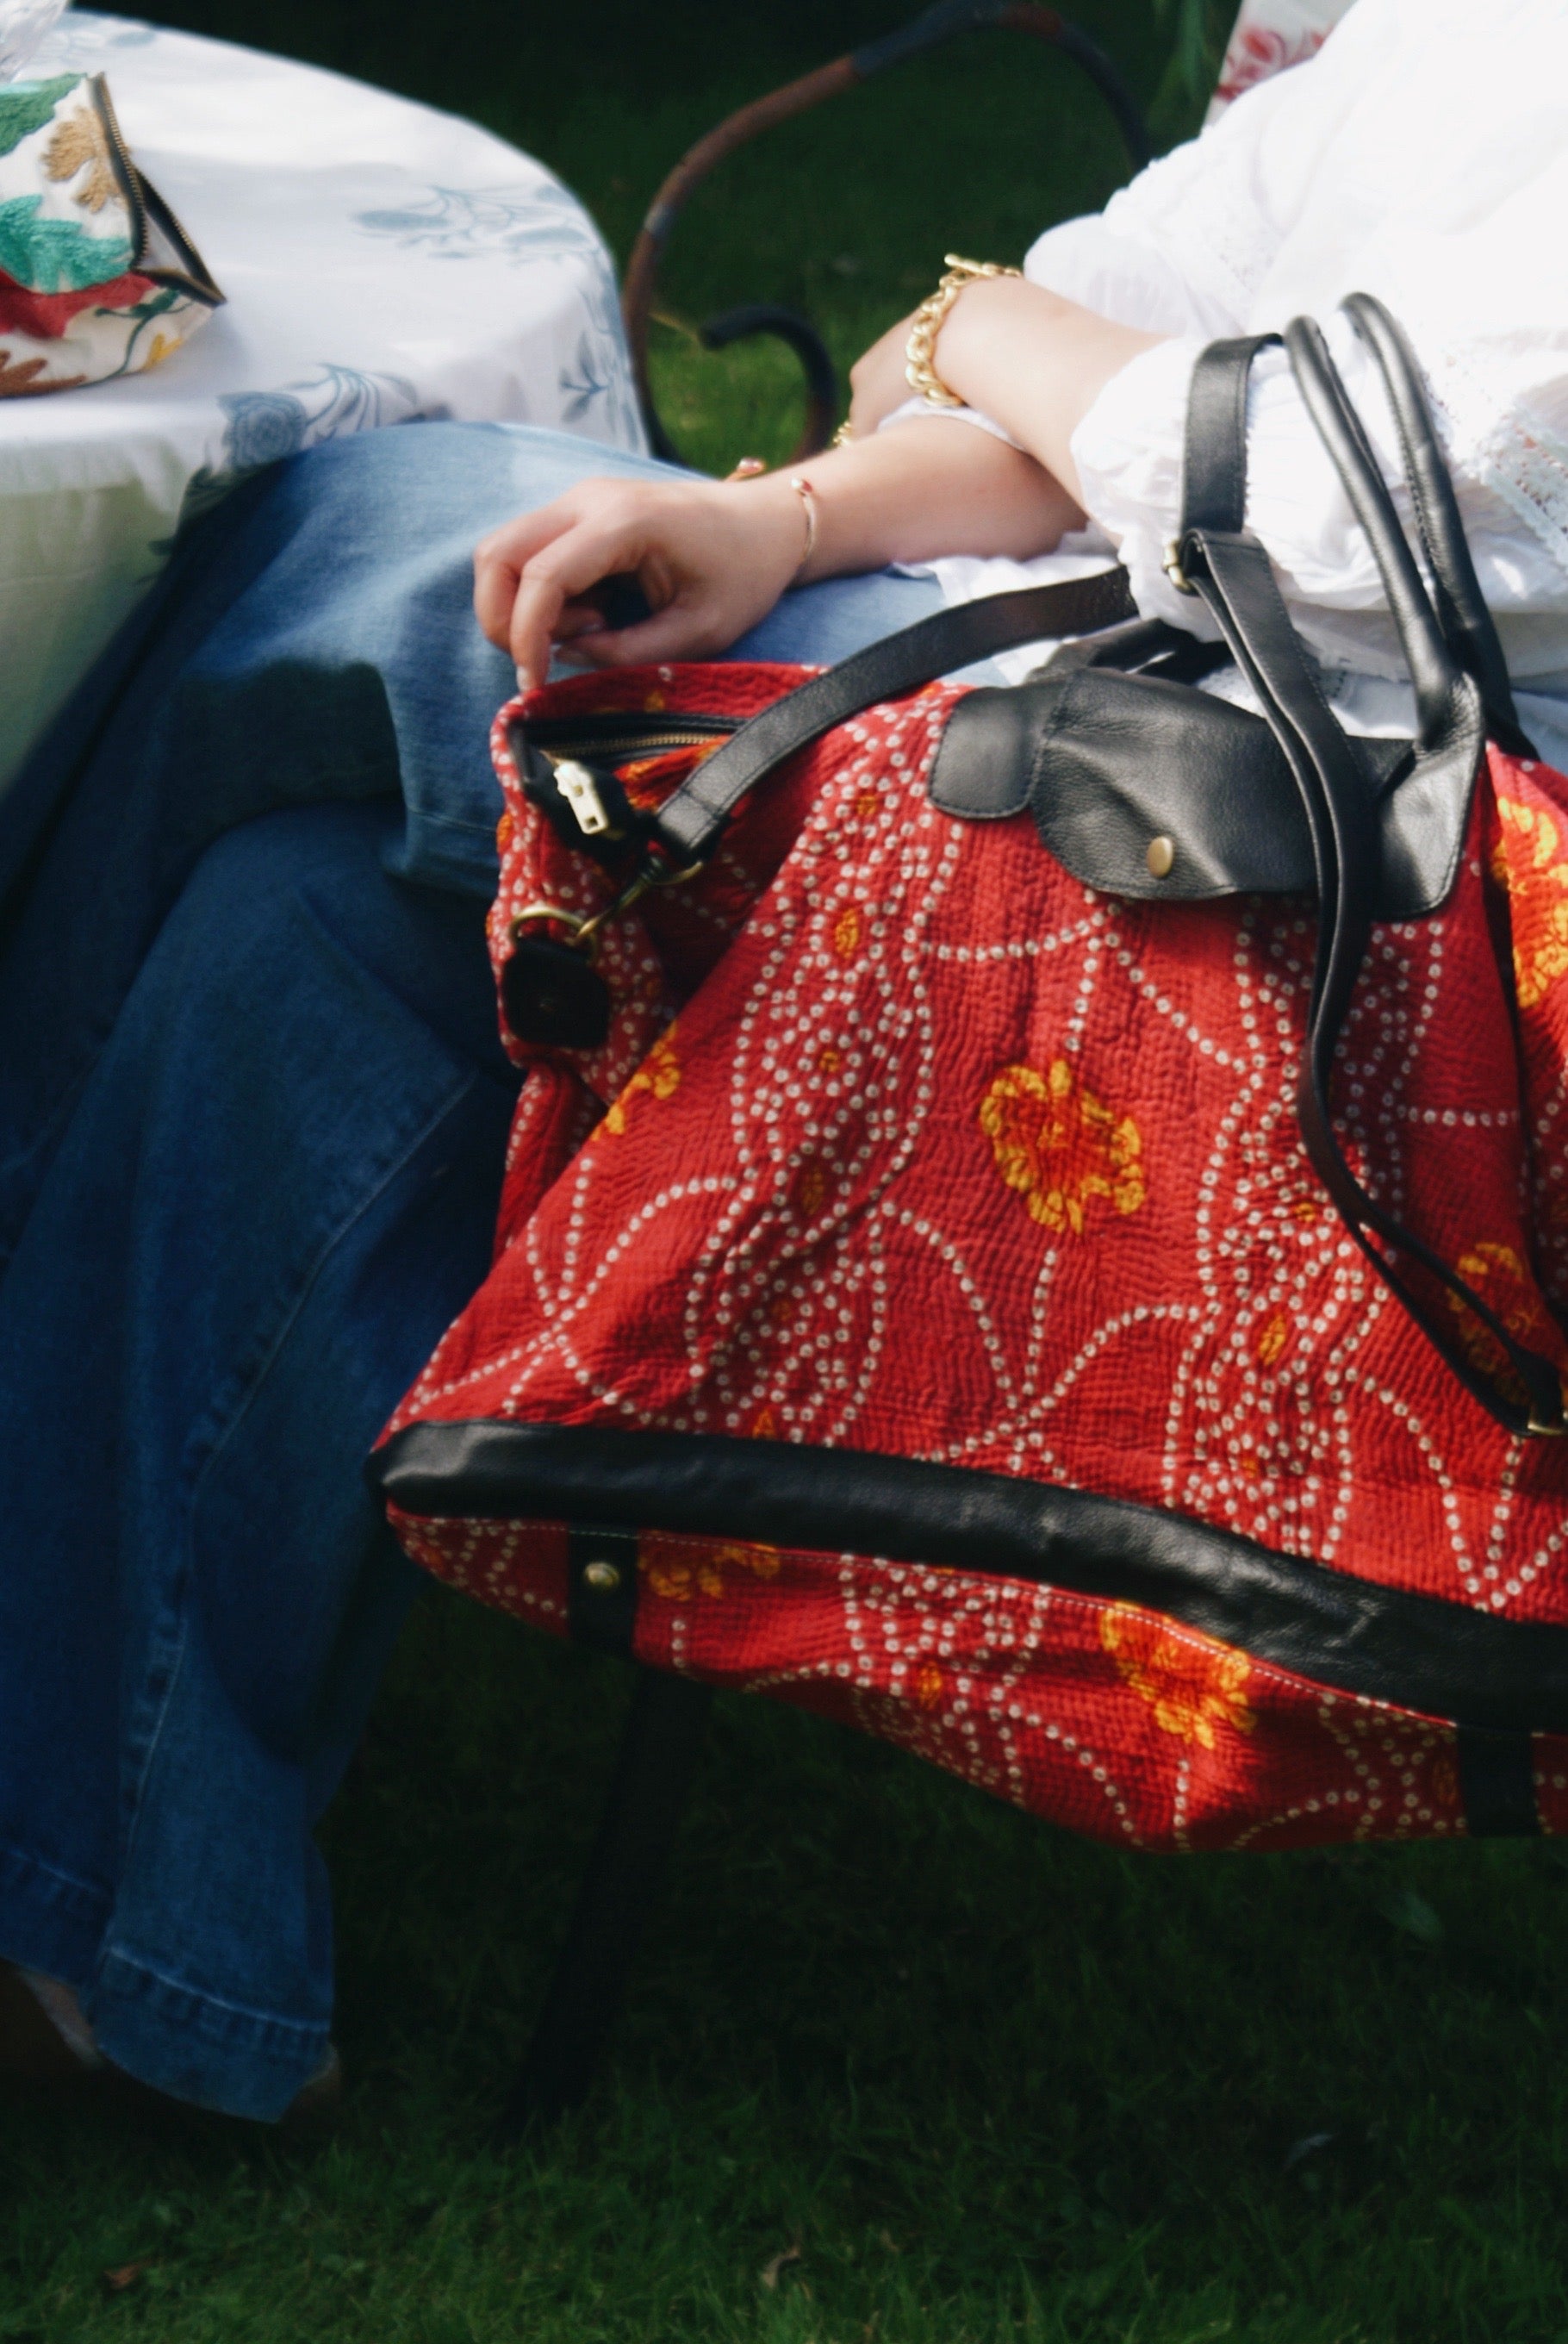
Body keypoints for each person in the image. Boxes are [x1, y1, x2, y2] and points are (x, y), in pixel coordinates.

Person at [3, 0, 1565, 2121]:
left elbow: (1373, 497)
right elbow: (1119, 333)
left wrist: (1018, 339)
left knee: (363, 534)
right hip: (1069, 736)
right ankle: (117, 1933)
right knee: (300, 916)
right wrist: (797, 518)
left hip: (1304, 944)